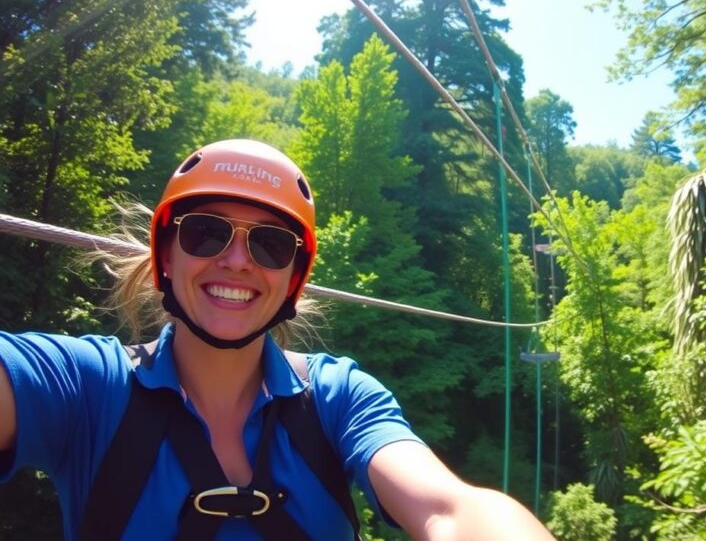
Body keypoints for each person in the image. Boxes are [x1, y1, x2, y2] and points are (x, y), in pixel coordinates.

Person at [0, 139, 555, 540]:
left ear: (293, 275)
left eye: (270, 245)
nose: (237, 261)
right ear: (167, 253)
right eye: (206, 232)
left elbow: (449, 509)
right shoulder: (84, 387)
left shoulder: (338, 398)